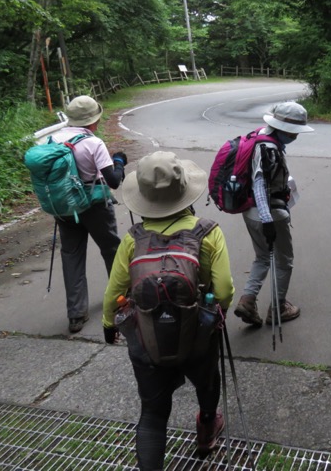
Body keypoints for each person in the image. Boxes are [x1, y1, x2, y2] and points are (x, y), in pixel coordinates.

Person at [102, 152, 234, 467]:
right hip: (197, 337)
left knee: (152, 413)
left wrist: (110, 325)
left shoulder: (133, 239)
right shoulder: (208, 231)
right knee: (207, 382)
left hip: (148, 341)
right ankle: (206, 428)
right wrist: (214, 315)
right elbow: (225, 288)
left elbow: (113, 293)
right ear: (185, 190)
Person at [233, 101, 313, 326]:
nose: (296, 136)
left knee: (261, 257)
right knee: (284, 260)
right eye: (293, 132)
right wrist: (268, 219)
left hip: (248, 210)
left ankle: (248, 301)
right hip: (269, 213)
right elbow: (259, 183)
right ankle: (278, 308)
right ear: (281, 128)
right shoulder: (268, 149)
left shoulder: (258, 136)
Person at [55, 95, 127, 334]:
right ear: (93, 120)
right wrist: (119, 162)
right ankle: (120, 302)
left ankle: (76, 315)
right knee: (112, 250)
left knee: (71, 255)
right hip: (94, 205)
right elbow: (114, 181)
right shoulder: (93, 143)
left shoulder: (53, 139)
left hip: (65, 207)